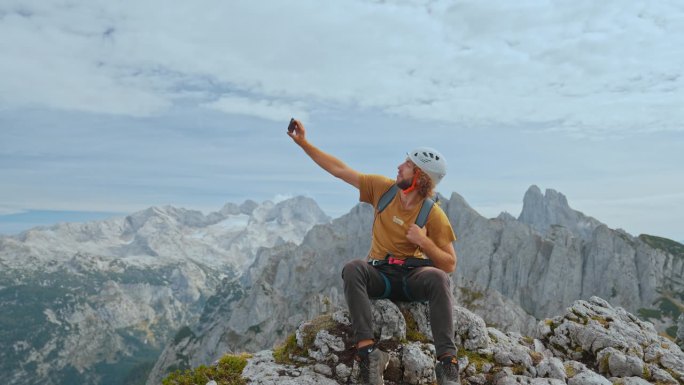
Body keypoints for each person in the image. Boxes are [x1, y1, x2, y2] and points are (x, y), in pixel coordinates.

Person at [288, 119, 460, 385]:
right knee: (353, 268)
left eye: (407, 165)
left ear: (420, 177)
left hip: (412, 279)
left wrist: (424, 243)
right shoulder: (383, 189)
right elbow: (339, 170)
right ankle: (369, 354)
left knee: (439, 278)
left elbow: (449, 264)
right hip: (380, 274)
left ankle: (447, 364)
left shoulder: (433, 214)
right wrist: (303, 143)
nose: (399, 167)